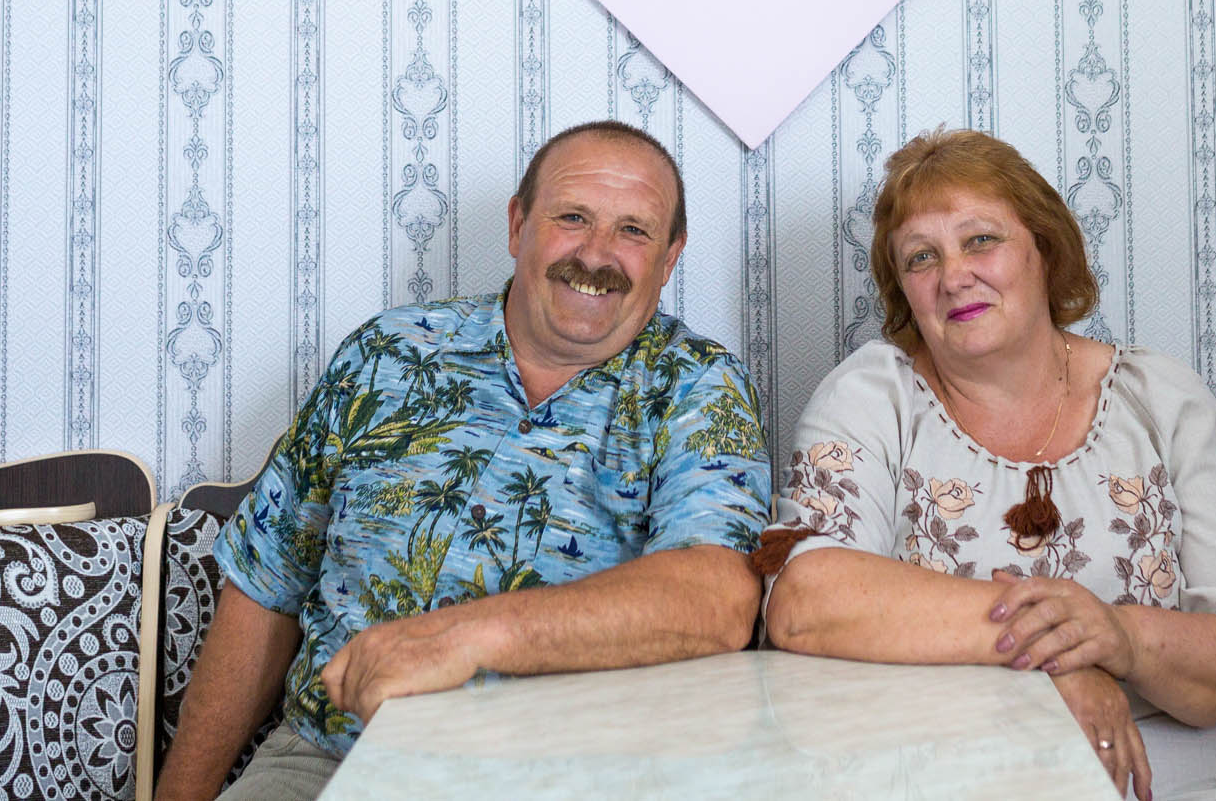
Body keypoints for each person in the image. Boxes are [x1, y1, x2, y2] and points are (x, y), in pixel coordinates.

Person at [158, 120, 771, 801]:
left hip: (568, 777)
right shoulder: (385, 355)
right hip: (329, 759)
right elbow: (266, 587)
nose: (597, 254)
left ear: (670, 256)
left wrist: (466, 636)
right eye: (572, 217)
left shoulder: (698, 386)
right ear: (517, 225)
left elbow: (716, 598)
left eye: (633, 230)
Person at [758, 129, 1216, 800]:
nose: (953, 276)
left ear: (1045, 248)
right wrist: (1057, 656)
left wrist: (1122, 637)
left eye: (980, 240)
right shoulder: (873, 396)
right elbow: (807, 599)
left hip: (1176, 779)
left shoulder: (1162, 398)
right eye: (922, 257)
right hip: (946, 775)